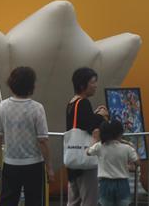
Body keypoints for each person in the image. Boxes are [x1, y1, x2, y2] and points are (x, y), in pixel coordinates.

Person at [0, 66, 53, 206]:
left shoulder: (3, 106)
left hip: (10, 163)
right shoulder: (37, 108)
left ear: (12, 84)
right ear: (31, 86)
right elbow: (43, 140)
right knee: (35, 201)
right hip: (34, 165)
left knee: (8, 201)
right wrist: (49, 167)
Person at [66, 67, 109, 206]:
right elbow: (90, 126)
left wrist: (94, 115)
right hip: (85, 159)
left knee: (73, 200)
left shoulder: (72, 103)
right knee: (89, 199)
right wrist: (101, 116)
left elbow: (81, 122)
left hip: (74, 158)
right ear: (82, 84)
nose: (95, 85)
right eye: (92, 82)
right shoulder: (83, 102)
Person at [87, 120, 139, 206]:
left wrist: (95, 140)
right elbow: (137, 162)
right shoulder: (126, 148)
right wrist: (129, 144)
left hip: (105, 182)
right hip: (122, 183)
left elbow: (88, 152)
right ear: (120, 133)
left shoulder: (99, 146)